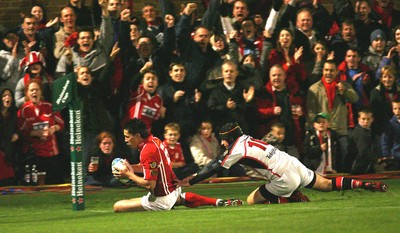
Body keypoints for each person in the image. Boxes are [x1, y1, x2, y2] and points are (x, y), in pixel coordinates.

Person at [181, 122, 388, 205]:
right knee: (326, 185)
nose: (223, 142)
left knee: (252, 200)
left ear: (230, 137)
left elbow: (215, 165)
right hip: (292, 163)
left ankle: (291, 198)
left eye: (223, 138)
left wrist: (194, 180)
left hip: (283, 178)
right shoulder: (248, 138)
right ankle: (365, 184)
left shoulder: (236, 149)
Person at [112, 118, 242, 212]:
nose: (125, 140)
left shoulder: (147, 150)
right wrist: (132, 167)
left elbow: (148, 184)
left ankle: (168, 203)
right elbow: (148, 166)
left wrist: (128, 174)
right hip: (173, 188)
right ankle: (217, 202)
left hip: (161, 198)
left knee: (118, 206)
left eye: (127, 137)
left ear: (138, 136)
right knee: (180, 199)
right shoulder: (155, 140)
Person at [17, 79, 64, 184]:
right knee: (36, 185)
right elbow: (20, 131)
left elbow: (61, 124)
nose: (34, 92)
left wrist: (53, 129)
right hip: (34, 154)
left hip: (51, 152)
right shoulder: (24, 110)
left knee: (54, 184)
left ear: (41, 92)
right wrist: (34, 133)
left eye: (37, 90)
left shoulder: (50, 106)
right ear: (27, 93)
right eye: (32, 90)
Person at [349, 108, 381, 174]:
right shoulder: (360, 133)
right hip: (357, 167)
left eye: (368, 119)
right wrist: (376, 159)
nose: (366, 121)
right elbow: (363, 151)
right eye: (363, 119)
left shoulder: (367, 131)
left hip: (364, 165)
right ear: (358, 120)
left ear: (372, 120)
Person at [0, 88, 18, 186]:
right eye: (4, 95)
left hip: (9, 147)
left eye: (9, 95)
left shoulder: (14, 113)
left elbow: (17, 128)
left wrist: (17, 134)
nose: (7, 97)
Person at [381, 100, 400, 170]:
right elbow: (385, 141)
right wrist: (387, 156)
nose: (397, 111)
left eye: (399, 108)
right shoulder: (390, 124)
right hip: (396, 156)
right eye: (395, 108)